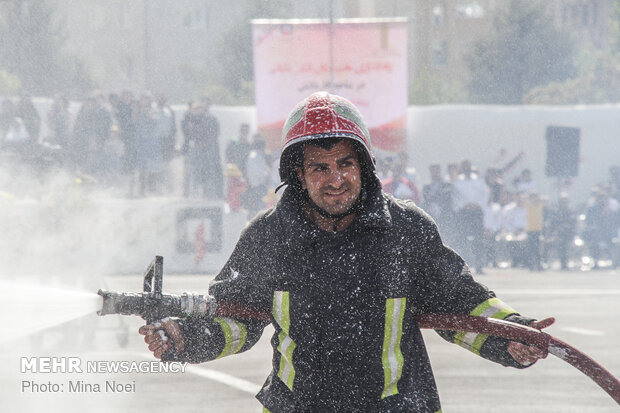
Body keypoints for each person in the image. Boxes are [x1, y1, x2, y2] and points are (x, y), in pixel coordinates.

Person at [139, 92, 553, 412]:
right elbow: (234, 320)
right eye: (319, 168)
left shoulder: (406, 232)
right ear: (298, 176)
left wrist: (513, 335)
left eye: (345, 164)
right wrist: (185, 337)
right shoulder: (268, 238)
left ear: (364, 167)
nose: (335, 179)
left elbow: (461, 305)